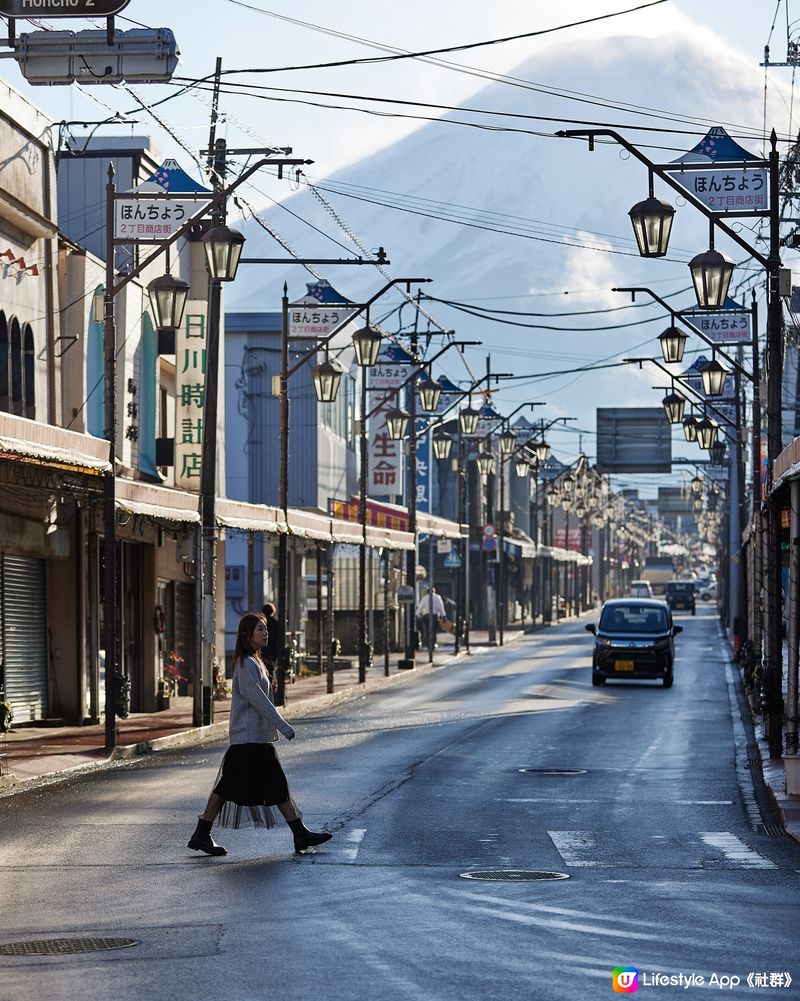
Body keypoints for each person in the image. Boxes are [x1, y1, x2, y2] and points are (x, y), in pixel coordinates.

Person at [187, 611, 332, 857]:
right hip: (248, 740)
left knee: (269, 787)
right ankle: (202, 833)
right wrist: (284, 726)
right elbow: (260, 702)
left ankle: (300, 833)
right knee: (229, 788)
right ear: (247, 635)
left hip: (256, 740)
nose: (266, 633)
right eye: (260, 629)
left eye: (265, 628)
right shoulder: (245, 664)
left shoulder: (255, 661)